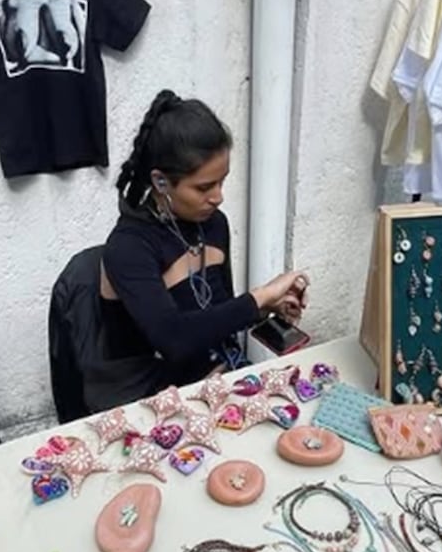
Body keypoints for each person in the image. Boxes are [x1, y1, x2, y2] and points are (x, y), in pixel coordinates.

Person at [100, 89, 309, 395]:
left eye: (222, 181)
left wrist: (267, 309)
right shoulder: (128, 247)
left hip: (220, 379)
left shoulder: (213, 224)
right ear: (160, 181)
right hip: (150, 401)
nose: (218, 196)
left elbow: (217, 312)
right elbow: (174, 340)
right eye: (204, 187)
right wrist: (259, 297)